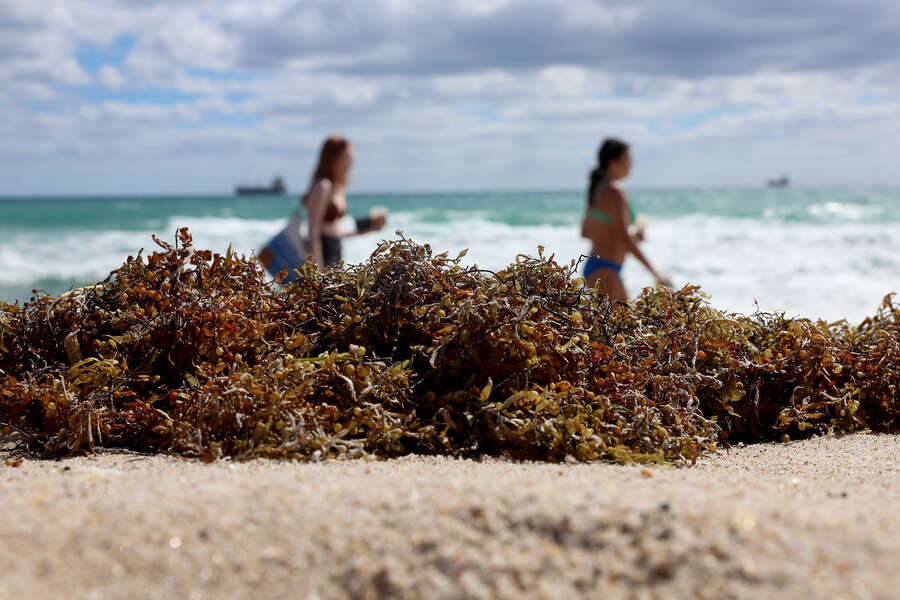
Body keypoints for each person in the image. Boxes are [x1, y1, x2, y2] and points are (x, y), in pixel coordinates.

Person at [259, 135, 385, 279]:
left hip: (334, 249)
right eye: (347, 157)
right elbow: (314, 230)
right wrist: (319, 271)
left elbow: (335, 229)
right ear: (333, 158)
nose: (352, 163)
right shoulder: (323, 186)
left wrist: (368, 228)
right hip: (323, 252)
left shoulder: (338, 187)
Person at [580, 138, 670, 301]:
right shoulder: (615, 191)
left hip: (596, 267)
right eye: (627, 159)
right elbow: (623, 238)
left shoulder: (597, 190)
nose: (631, 164)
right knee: (620, 323)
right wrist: (656, 274)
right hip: (606, 269)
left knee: (615, 323)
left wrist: (631, 239)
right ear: (613, 162)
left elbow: (585, 232)